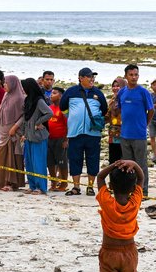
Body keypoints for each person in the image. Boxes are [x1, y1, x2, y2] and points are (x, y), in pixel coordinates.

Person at [95, 159, 145, 272]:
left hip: (109, 252)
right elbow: (141, 177)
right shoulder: (135, 201)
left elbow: (100, 177)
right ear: (132, 188)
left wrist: (114, 165)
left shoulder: (107, 201)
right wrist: (133, 163)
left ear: (111, 186)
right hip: (130, 252)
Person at [60, 67, 108, 196]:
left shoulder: (98, 93)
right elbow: (62, 107)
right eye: (89, 76)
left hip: (93, 133)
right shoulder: (71, 91)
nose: (92, 79)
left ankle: (90, 186)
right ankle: (76, 187)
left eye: (93, 77)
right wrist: (73, 118)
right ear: (81, 78)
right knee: (75, 159)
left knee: (93, 160)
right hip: (75, 133)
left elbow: (104, 110)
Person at [117, 64, 154, 196]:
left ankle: (143, 191)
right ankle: (130, 190)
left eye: (136, 74)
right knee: (127, 165)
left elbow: (151, 110)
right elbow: (121, 109)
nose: (134, 77)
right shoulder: (122, 92)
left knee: (141, 164)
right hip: (124, 134)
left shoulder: (143, 92)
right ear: (126, 76)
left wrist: (145, 124)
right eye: (131, 75)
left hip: (139, 135)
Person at [21, 78, 53, 194]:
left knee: (38, 162)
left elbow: (49, 112)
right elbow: (25, 117)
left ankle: (41, 187)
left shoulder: (39, 101)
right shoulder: (27, 100)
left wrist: (38, 122)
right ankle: (32, 185)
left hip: (39, 136)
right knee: (29, 162)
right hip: (29, 136)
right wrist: (23, 133)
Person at [0, 75, 26, 191]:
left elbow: (24, 116)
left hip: (13, 133)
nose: (4, 85)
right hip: (3, 132)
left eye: (6, 83)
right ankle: (2, 181)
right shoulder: (6, 95)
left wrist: (15, 127)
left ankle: (12, 183)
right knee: (2, 156)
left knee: (11, 157)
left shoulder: (19, 98)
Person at [47, 86, 68, 191]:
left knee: (62, 162)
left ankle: (64, 183)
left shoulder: (63, 109)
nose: (51, 95)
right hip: (49, 138)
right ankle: (53, 182)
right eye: (51, 93)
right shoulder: (49, 108)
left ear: (60, 96)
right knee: (50, 162)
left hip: (60, 139)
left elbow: (67, 125)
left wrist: (66, 140)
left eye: (54, 93)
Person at [106, 77, 125, 164]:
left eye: (118, 86)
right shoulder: (112, 101)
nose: (115, 88)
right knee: (113, 160)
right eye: (114, 86)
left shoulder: (126, 100)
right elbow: (107, 116)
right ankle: (113, 177)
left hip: (124, 135)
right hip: (113, 135)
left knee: (123, 159)